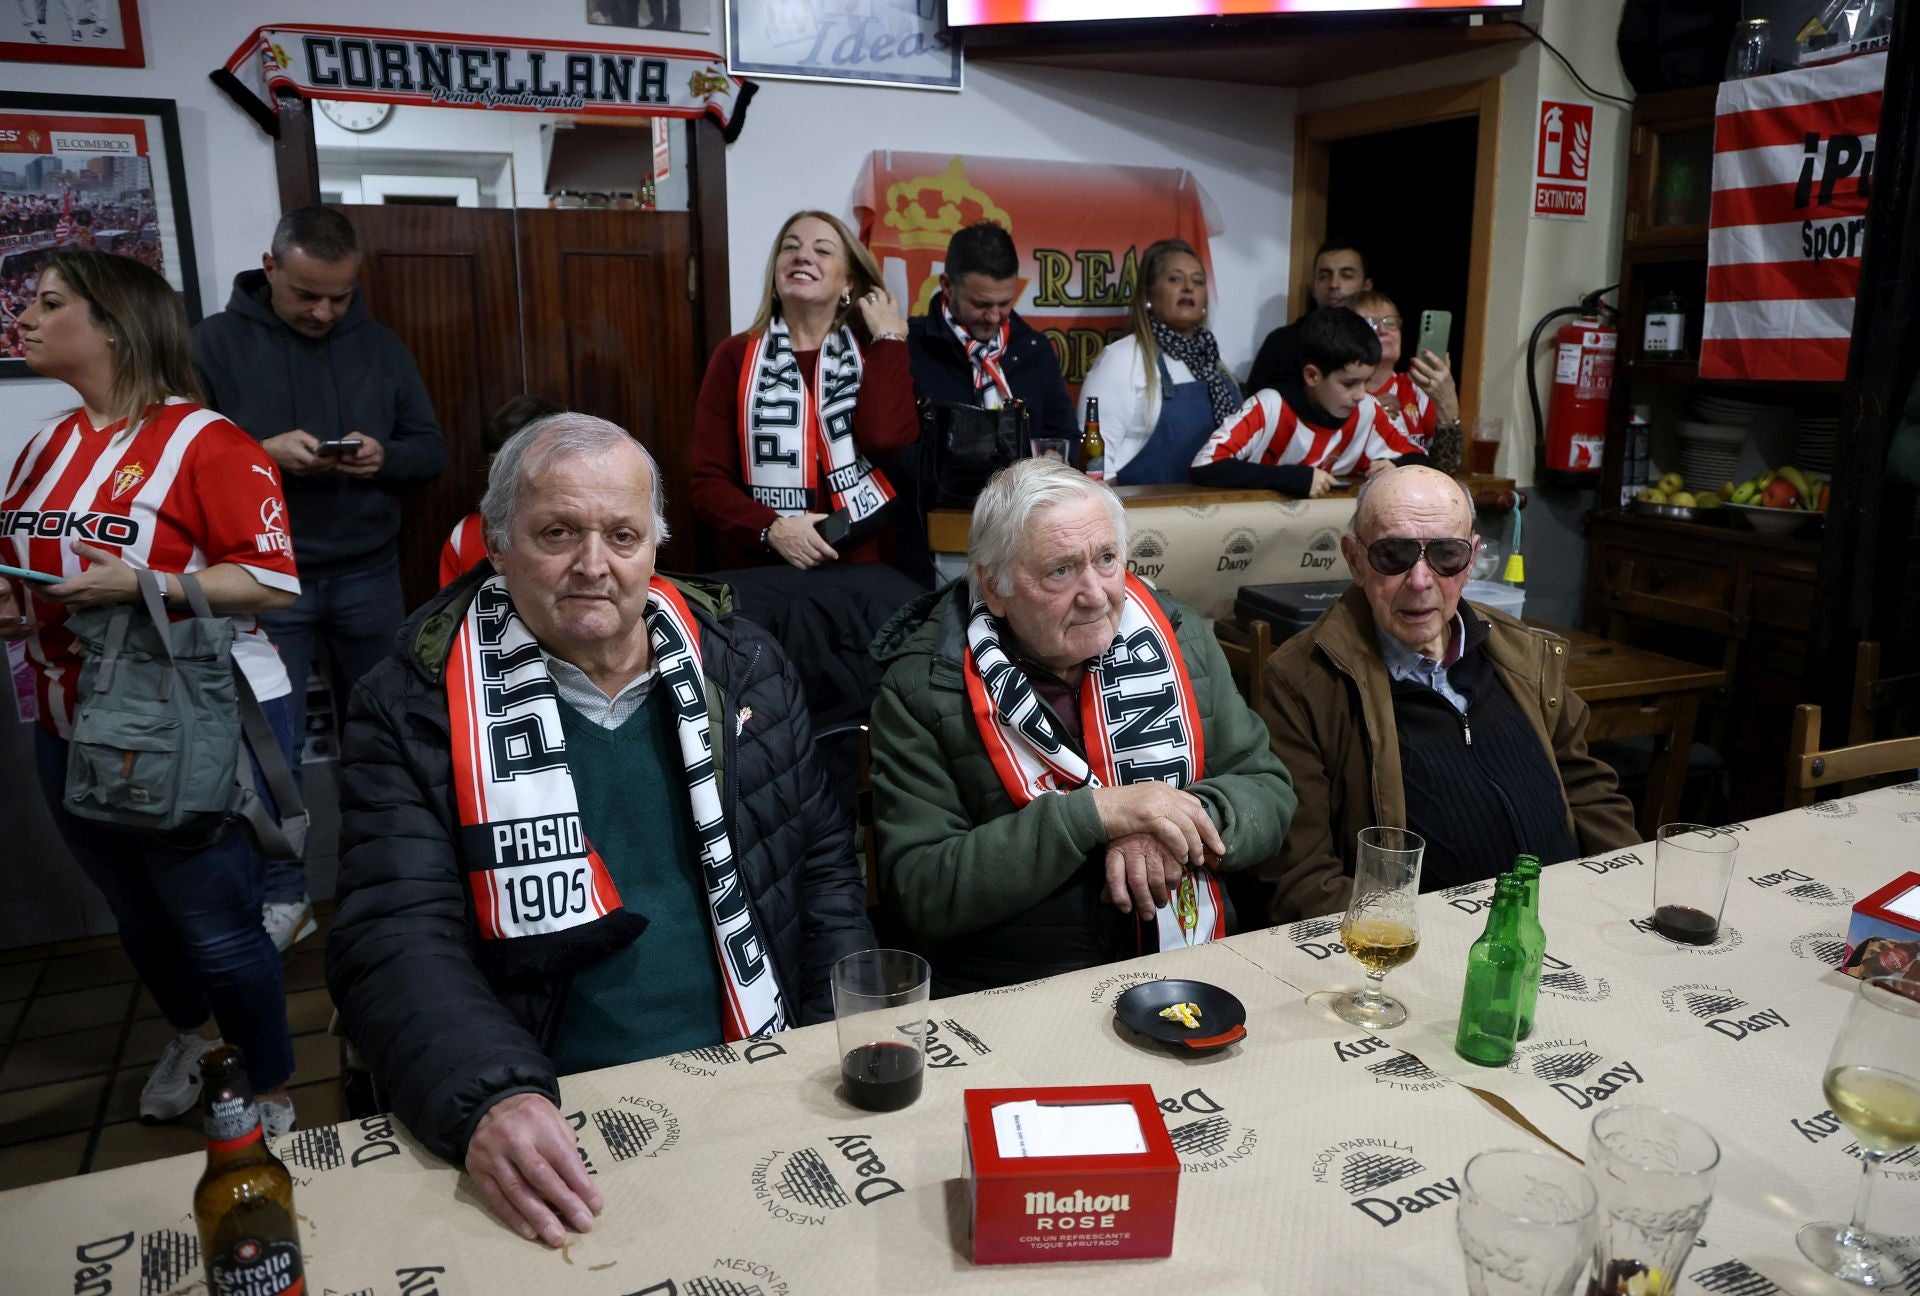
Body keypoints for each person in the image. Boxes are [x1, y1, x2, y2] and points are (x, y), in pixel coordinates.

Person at [327, 413, 873, 1248]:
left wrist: (838, 1041)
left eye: (622, 534)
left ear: (655, 545)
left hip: (757, 1066)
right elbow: (393, 936)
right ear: (497, 545)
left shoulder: (742, 664)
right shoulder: (412, 702)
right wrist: (491, 1095)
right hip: (552, 1104)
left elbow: (823, 866)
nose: (594, 565)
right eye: (557, 533)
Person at [0, 251, 304, 1131]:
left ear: (115, 325)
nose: (24, 316)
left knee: (213, 923)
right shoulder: (48, 443)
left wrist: (148, 585)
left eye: (51, 302)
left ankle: (270, 1083)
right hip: (70, 719)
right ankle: (195, 1035)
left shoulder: (208, 441)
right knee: (137, 915)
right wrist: (17, 604)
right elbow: (39, 567)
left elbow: (274, 584)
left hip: (187, 723)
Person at [868, 459, 1297, 995]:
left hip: (1199, 963)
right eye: (1061, 571)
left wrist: (1171, 826)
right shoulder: (923, 688)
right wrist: (1095, 815)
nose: (1096, 593)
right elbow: (923, 891)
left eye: (1107, 559)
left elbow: (1268, 791)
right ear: (993, 586)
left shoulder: (1179, 634)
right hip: (1022, 990)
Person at [193, 205, 448, 952]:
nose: (324, 311)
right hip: (264, 582)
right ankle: (286, 895)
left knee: (389, 733)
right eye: (307, 293)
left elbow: (429, 450)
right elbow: (184, 463)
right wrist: (260, 454)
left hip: (369, 571)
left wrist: (384, 457)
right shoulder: (212, 342)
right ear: (269, 267)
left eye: (339, 295)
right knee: (268, 750)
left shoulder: (381, 346)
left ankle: (398, 883)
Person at [1256, 466, 1638, 921]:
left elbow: (1586, 788)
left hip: (1569, 917)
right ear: (1355, 560)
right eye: (1393, 554)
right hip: (1424, 948)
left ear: (1472, 558)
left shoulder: (1520, 652)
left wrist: (1627, 892)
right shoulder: (1304, 682)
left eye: (1446, 554)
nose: (1420, 580)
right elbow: (1302, 878)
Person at [690, 209, 917, 571]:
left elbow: (885, 438)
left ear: (848, 284)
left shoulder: (872, 348)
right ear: (776, 271)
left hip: (864, 566)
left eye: (823, 250)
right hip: (764, 568)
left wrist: (889, 339)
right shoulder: (735, 356)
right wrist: (773, 529)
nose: (803, 255)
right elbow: (707, 484)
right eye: (790, 247)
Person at [900, 220, 1075, 584]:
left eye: (1005, 303)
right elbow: (893, 453)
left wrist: (1056, 458)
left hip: (1025, 543)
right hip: (932, 548)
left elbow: (1065, 434)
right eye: (981, 304)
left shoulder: (1034, 350)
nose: (994, 317)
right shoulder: (908, 349)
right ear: (947, 286)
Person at [1191, 306, 1413, 497]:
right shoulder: (1270, 406)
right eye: (1349, 384)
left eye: (1367, 381)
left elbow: (1418, 456)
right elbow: (1205, 465)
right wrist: (1291, 478)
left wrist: (1396, 466)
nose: (1360, 394)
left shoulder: (1366, 410)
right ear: (1312, 376)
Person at [1077, 238, 1243, 484]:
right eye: (1175, 279)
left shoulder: (1217, 365)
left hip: (1216, 516)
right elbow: (1096, 464)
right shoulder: (1123, 359)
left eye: (1197, 281)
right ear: (1148, 295)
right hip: (1146, 516)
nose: (1188, 287)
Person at [438, 393, 562, 587]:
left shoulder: (586, 540)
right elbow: (451, 613)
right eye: (494, 463)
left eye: (512, 464)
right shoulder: (466, 536)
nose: (499, 476)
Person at [1347, 289, 1463, 474]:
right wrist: (1370, 416)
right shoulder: (1339, 393)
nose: (1383, 330)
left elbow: (1446, 467)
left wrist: (1447, 403)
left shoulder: (1418, 389)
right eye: (1371, 323)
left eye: (1390, 323)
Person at [1245, 237, 1371, 396]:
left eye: (1346, 275)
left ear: (1367, 287)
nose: (1334, 284)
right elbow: (1256, 408)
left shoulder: (1380, 338)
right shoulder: (1281, 342)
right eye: (1324, 276)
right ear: (1313, 287)